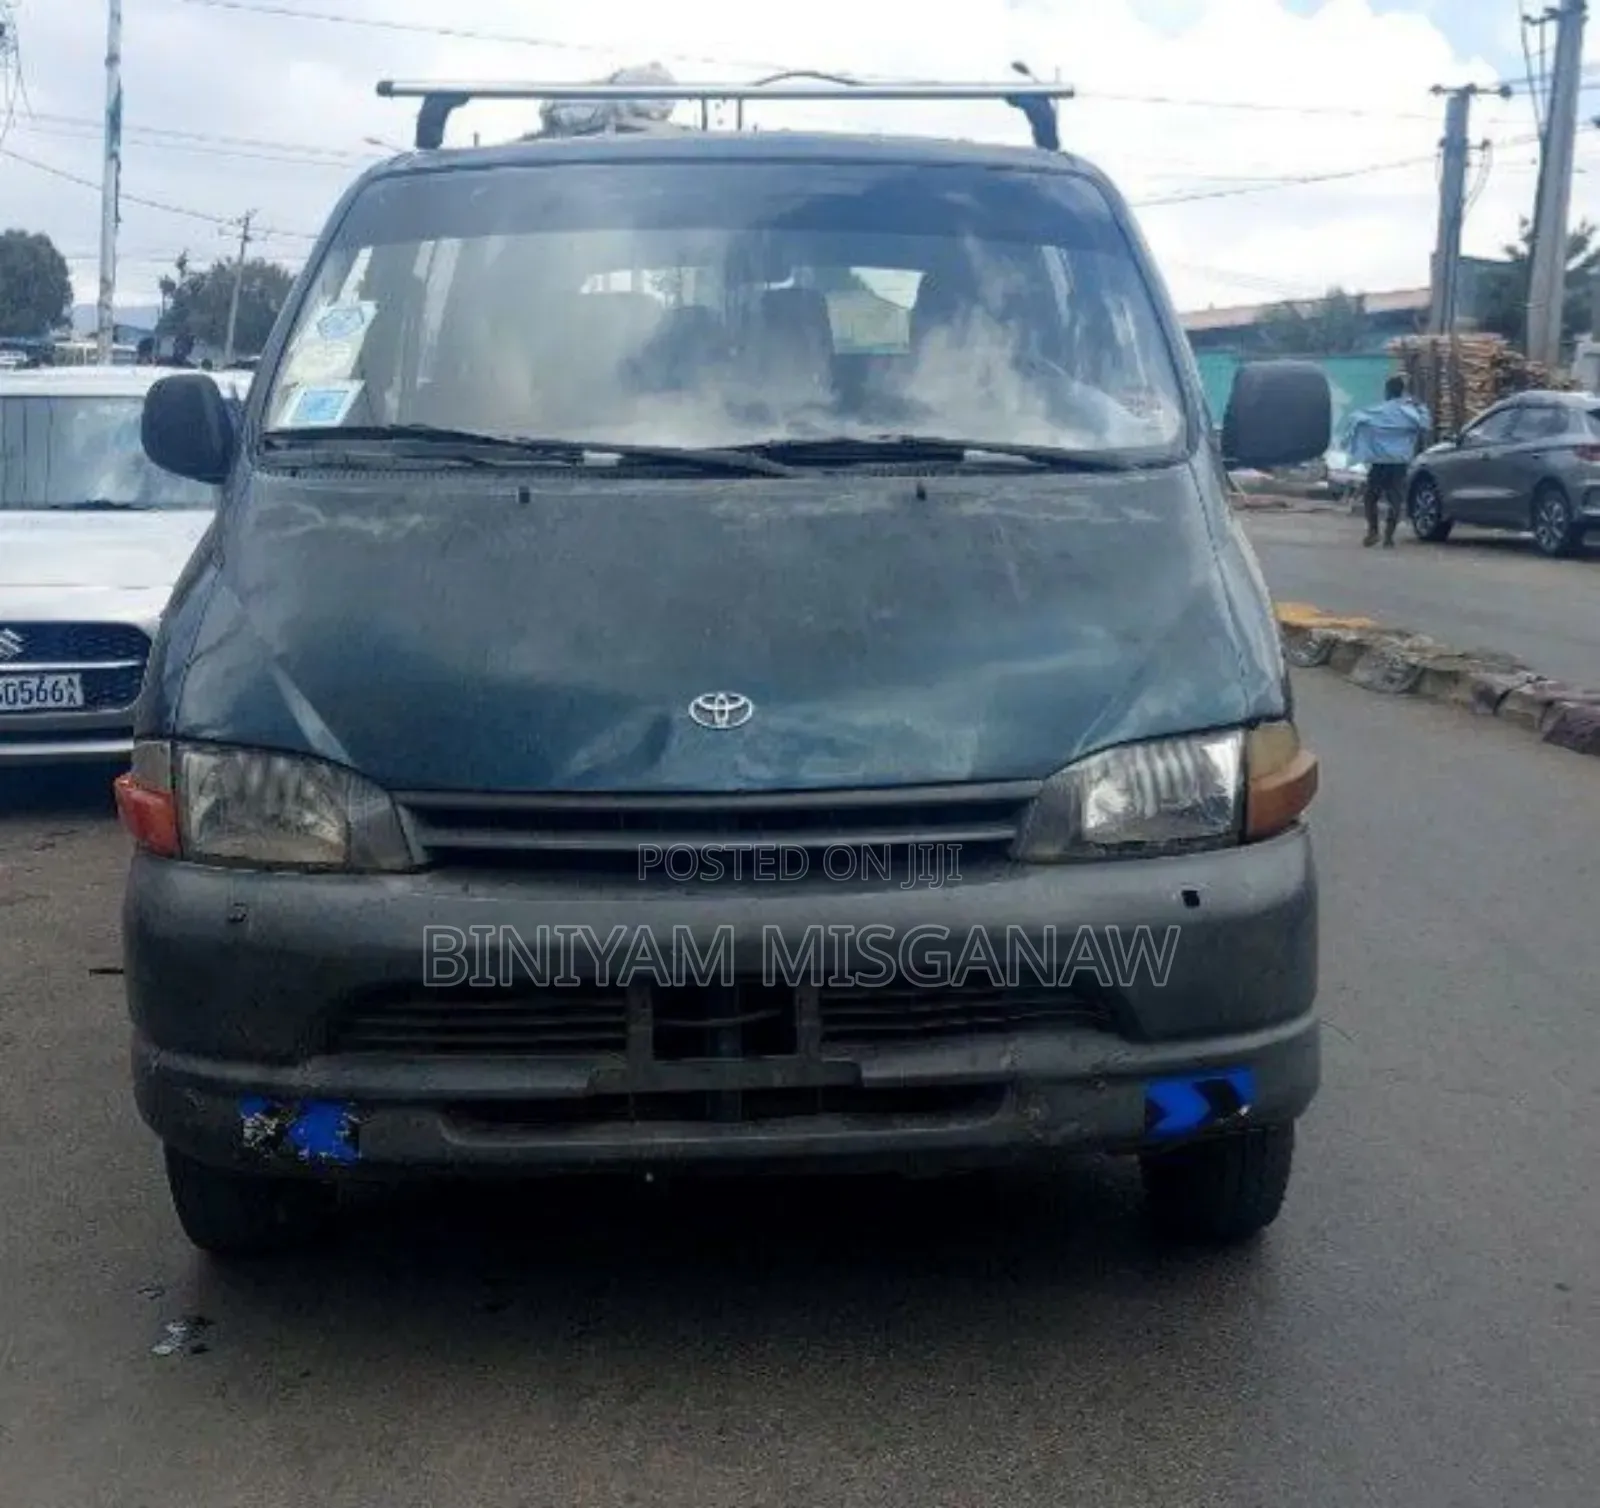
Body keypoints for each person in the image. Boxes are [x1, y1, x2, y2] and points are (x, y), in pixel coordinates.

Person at [1342, 375, 1431, 548]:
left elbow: (1355, 419)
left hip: (1380, 461)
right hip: (1399, 462)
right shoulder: (1410, 412)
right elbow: (1425, 425)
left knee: (1371, 497)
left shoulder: (1378, 411)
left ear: (1388, 391)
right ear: (1402, 391)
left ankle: (1373, 531)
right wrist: (1420, 406)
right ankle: (1389, 537)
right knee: (1395, 499)